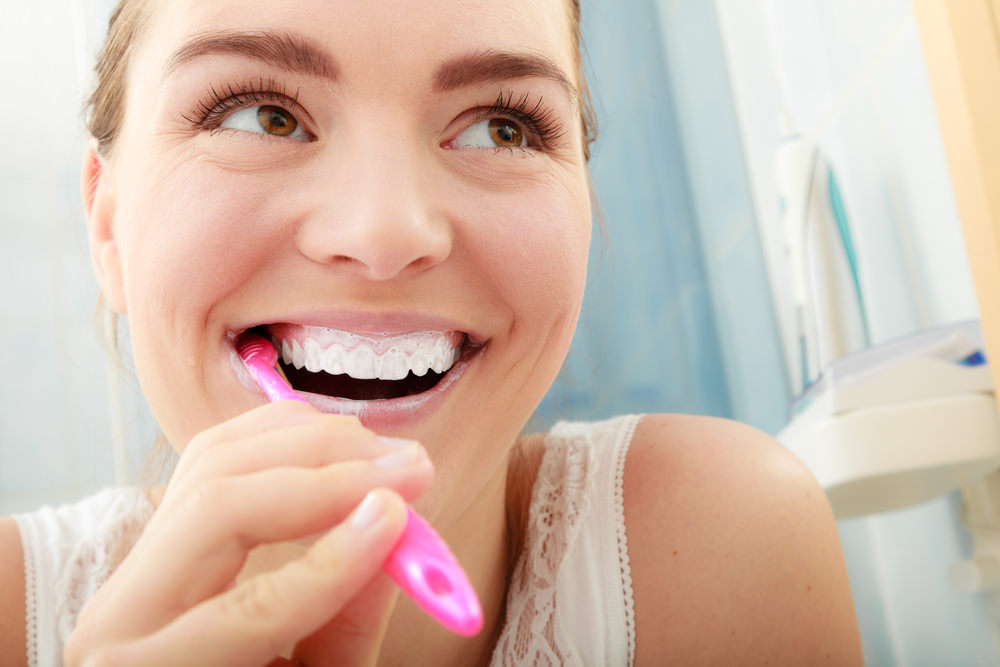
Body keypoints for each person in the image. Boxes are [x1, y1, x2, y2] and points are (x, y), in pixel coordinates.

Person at [0, 0, 863, 664]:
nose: (386, 232)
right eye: (260, 112)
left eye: (500, 126)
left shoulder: (727, 549)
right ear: (107, 226)